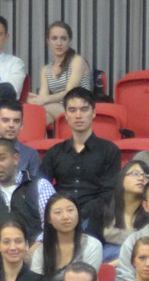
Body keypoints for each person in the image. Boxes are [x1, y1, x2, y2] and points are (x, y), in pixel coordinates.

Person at [42, 89, 120, 219]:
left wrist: (81, 215)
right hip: (60, 216)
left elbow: (109, 194)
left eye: (84, 110)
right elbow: (43, 188)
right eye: (72, 110)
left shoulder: (109, 150)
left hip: (95, 218)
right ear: (66, 115)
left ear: (93, 113)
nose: (78, 115)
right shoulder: (54, 152)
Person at [24, 21, 91, 128]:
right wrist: (35, 99)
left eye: (63, 39)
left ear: (69, 40)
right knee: (38, 117)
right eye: (54, 38)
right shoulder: (45, 69)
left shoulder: (77, 61)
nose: (59, 43)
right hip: (56, 109)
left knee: (35, 114)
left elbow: (70, 93)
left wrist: (43, 100)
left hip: (79, 107)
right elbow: (43, 98)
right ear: (48, 41)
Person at [30, 192, 103, 281]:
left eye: (70, 210)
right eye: (58, 212)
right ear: (49, 219)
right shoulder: (41, 250)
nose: (65, 217)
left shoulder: (92, 246)